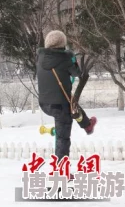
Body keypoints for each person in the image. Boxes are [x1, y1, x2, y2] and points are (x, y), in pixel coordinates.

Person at [37, 30, 97, 162]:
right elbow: (77, 73)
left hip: (44, 103)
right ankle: (61, 172)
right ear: (62, 44)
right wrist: (72, 58)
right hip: (60, 106)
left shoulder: (40, 58)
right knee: (62, 138)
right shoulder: (65, 58)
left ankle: (87, 124)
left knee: (73, 104)